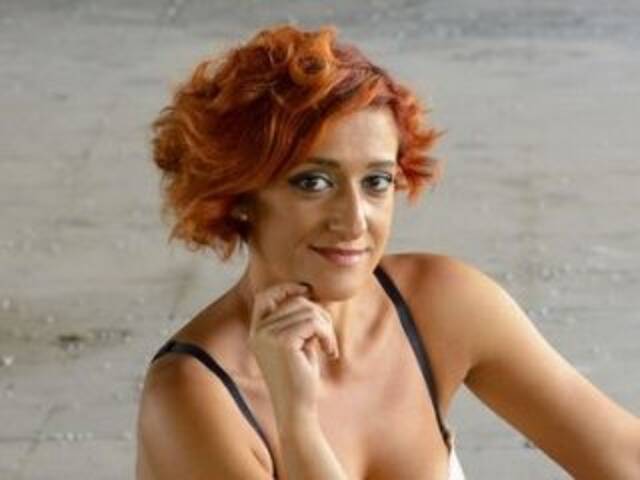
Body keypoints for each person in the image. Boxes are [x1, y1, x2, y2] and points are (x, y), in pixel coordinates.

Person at [135, 24, 640, 480]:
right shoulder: (193, 395)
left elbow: (625, 457)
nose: (355, 220)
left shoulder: (438, 303)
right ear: (240, 195)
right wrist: (297, 424)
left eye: (376, 181)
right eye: (313, 182)